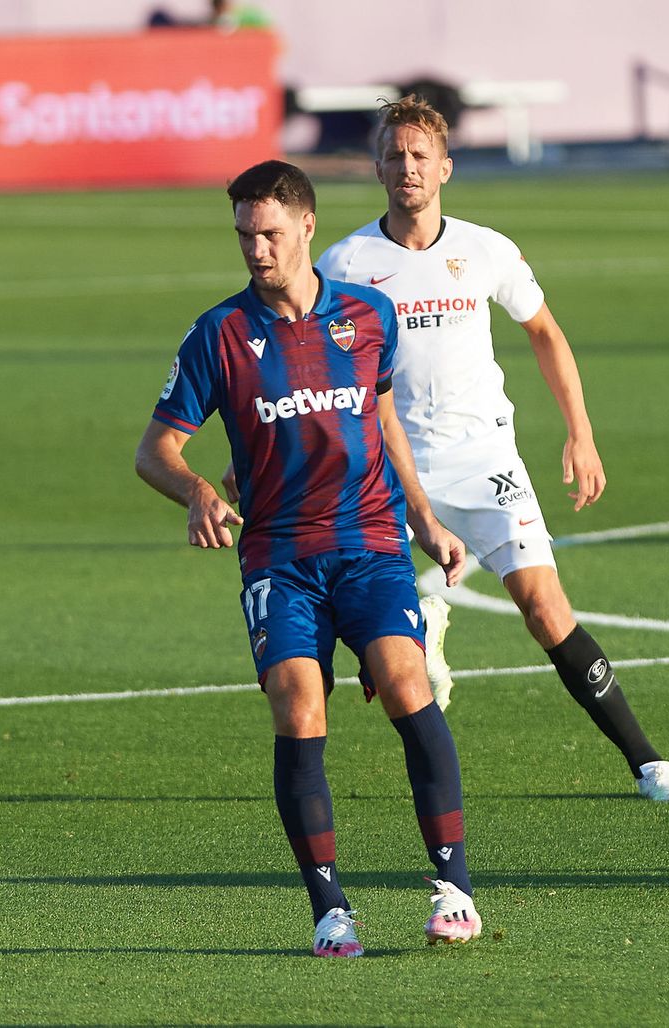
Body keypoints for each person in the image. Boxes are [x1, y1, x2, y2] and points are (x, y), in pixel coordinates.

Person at [134, 160, 484, 957]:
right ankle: (330, 910)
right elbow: (155, 451)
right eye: (244, 235)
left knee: (406, 683)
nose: (255, 250)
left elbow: (384, 420)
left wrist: (424, 518)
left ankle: (454, 890)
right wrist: (196, 490)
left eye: (269, 234)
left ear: (307, 227)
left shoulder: (368, 316)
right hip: (280, 558)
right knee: (299, 708)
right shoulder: (219, 334)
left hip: (369, 542)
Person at [314, 94, 669, 803]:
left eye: (420, 155)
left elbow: (544, 331)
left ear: (445, 168)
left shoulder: (484, 249)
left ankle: (648, 763)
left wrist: (581, 433)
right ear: (376, 167)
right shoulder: (344, 263)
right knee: (367, 633)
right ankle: (415, 631)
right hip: (389, 469)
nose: (407, 167)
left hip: (483, 459)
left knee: (546, 609)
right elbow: (314, 367)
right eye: (394, 155)